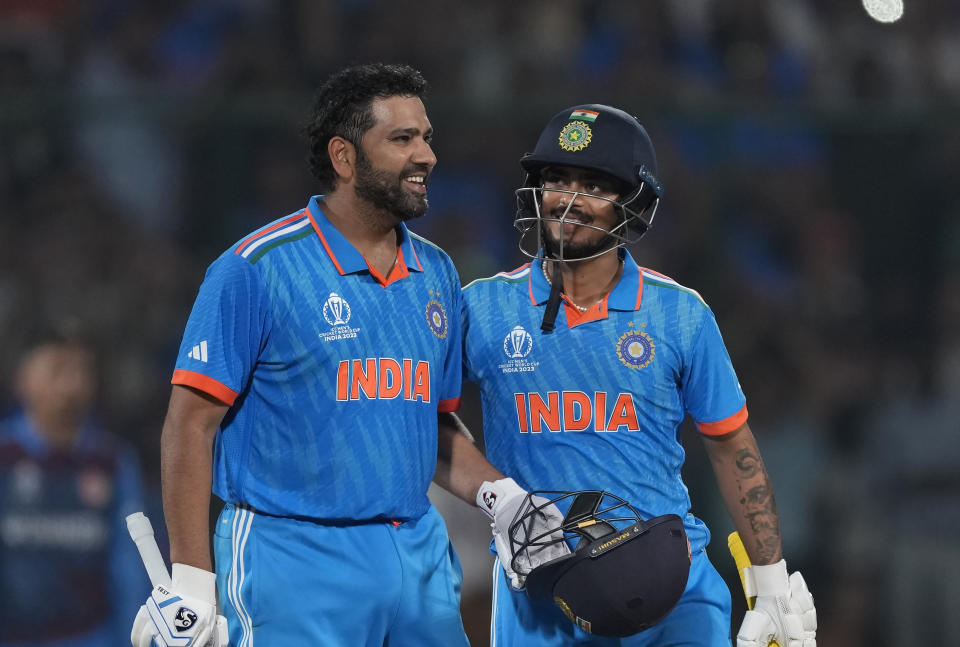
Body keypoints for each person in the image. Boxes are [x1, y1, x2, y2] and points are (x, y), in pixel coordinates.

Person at [131, 63, 486, 647]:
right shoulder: (255, 268)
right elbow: (190, 424)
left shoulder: (439, 272)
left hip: (417, 553)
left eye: (426, 137)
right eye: (402, 139)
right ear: (344, 158)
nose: (427, 155)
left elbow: (434, 427)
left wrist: (505, 497)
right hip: (291, 559)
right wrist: (191, 581)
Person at [436, 104, 818, 646]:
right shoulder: (481, 309)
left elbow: (733, 448)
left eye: (593, 184)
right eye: (556, 178)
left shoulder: (681, 314)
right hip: (542, 598)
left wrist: (772, 583)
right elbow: (421, 422)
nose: (568, 199)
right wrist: (500, 498)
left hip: (675, 591)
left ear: (632, 204)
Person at [0, 325, 149, 646]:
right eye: (58, 369)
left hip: (90, 637)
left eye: (82, 370)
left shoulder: (112, 461)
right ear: (23, 379)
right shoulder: (5, 457)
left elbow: (130, 564)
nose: (72, 384)